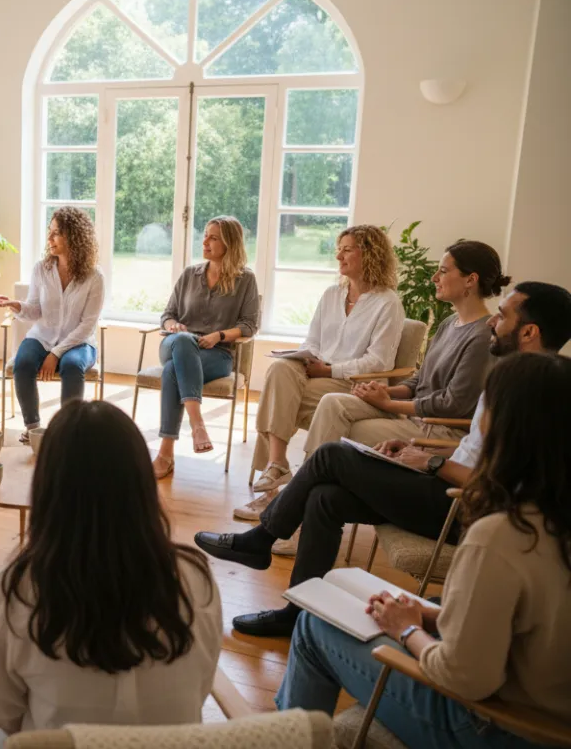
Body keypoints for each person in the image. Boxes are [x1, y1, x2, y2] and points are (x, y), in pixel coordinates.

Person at [195, 281, 571, 637]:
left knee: (331, 455)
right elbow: (477, 450)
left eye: (502, 315)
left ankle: (261, 539)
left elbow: (506, 485)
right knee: (324, 498)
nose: (492, 321)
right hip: (443, 484)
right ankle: (297, 613)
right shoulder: (513, 378)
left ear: (529, 332)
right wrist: (423, 450)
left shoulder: (539, 396)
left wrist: (432, 464)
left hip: (464, 508)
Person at [277, 351, 571, 749]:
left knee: (313, 626)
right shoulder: (552, 515)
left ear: (506, 426)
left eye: (487, 406)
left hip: (495, 729)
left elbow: (466, 679)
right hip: (550, 713)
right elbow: (534, 623)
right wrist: (433, 617)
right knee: (340, 563)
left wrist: (407, 629)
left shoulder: (502, 534)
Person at [0, 400, 222, 735]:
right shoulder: (196, 581)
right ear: (142, 484)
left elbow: (2, 713)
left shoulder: (13, 592)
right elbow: (200, 691)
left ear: (48, 488)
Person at [238, 226, 404, 520]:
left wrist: (330, 369)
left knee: (277, 400)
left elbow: (378, 362)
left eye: (347, 249)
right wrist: (307, 357)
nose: (339, 256)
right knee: (280, 368)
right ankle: (278, 464)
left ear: (370, 253)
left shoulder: (387, 302)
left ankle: (280, 495)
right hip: (317, 374)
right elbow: (312, 340)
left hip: (354, 386)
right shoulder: (331, 294)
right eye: (339, 249)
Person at [300, 240, 508, 454]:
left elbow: (453, 404)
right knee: (332, 402)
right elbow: (421, 379)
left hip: (442, 428)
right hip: (416, 416)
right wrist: (384, 392)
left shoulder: (483, 336)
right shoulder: (449, 323)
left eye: (443, 271)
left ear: (470, 280)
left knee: (349, 428)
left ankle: (316, 472)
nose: (434, 278)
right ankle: (314, 472)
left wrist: (389, 404)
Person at [148, 216, 259, 478]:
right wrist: (174, 326)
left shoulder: (246, 279)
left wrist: (218, 336)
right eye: (206, 235)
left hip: (217, 354)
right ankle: (197, 423)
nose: (205, 241)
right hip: (176, 343)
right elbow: (167, 315)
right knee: (183, 342)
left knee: (172, 371)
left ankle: (165, 454)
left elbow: (249, 325)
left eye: (213, 237)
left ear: (229, 243)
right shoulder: (189, 274)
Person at [0, 207, 103, 443]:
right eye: (50, 232)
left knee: (72, 366)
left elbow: (88, 325)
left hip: (80, 342)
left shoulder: (94, 276)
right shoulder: (42, 268)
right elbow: (35, 309)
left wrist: (56, 353)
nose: (49, 238)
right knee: (23, 364)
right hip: (41, 337)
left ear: (74, 236)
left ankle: (68, 432)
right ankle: (33, 429)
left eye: (56, 233)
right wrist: (16, 305)